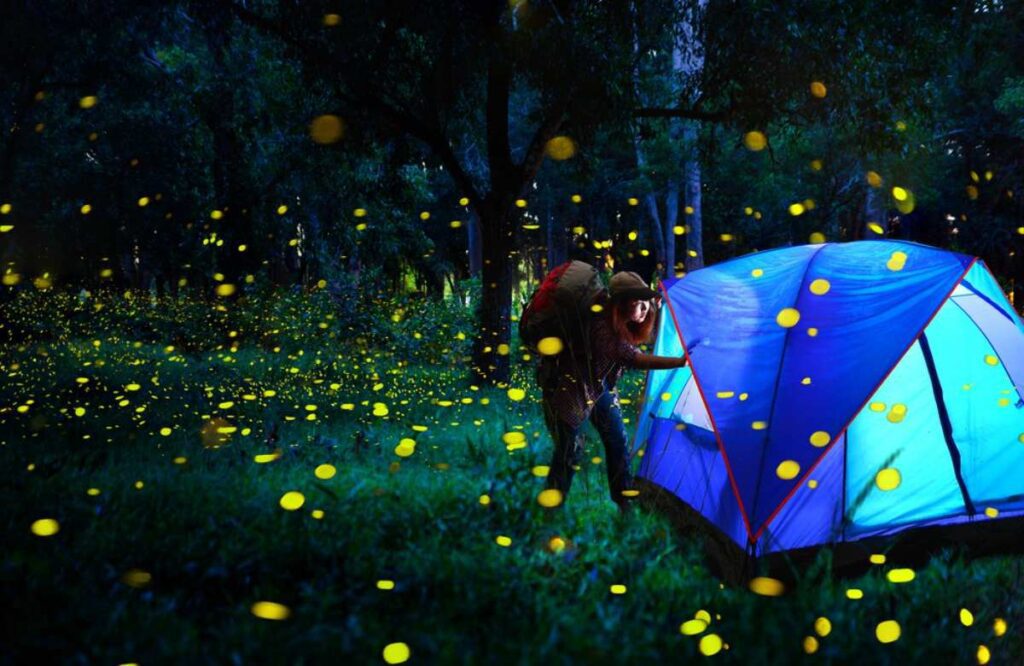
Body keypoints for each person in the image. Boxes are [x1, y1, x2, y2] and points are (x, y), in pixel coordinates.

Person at [537, 270, 688, 515]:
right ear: (620, 303)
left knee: (617, 439)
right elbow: (634, 358)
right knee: (570, 450)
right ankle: (550, 510)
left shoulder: (614, 319)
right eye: (637, 302)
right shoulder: (602, 329)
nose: (644, 308)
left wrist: (652, 305)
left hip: (596, 387)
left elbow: (632, 340)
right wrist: (678, 362)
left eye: (645, 302)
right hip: (569, 388)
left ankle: (625, 502)